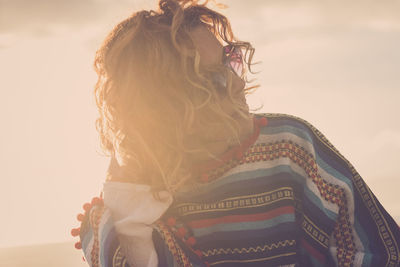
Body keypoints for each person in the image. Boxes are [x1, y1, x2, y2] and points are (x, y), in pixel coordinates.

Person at [71, 0, 400, 266]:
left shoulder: (291, 149)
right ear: (165, 106)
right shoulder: (136, 202)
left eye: (231, 60)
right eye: (210, 79)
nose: (237, 82)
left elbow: (377, 251)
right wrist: (128, 188)